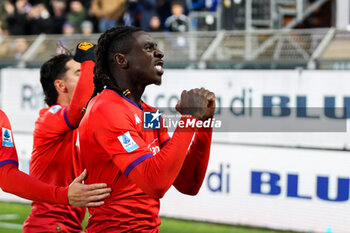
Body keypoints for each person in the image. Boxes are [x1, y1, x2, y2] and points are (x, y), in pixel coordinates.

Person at [78, 26, 215, 232]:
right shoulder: (105, 109)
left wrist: (203, 123)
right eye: (148, 48)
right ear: (122, 60)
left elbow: (188, 184)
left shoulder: (150, 113)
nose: (159, 53)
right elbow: (155, 184)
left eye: (157, 48)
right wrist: (188, 119)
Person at [23, 42, 98, 233]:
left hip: (68, 227)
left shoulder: (85, 123)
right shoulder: (49, 117)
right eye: (78, 73)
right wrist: (88, 60)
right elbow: (78, 107)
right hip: (49, 226)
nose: (88, 77)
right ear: (61, 86)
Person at [0, 110, 111, 207]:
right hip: (51, 222)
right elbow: (6, 176)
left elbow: (6, 175)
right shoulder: (52, 116)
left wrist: (63, 195)